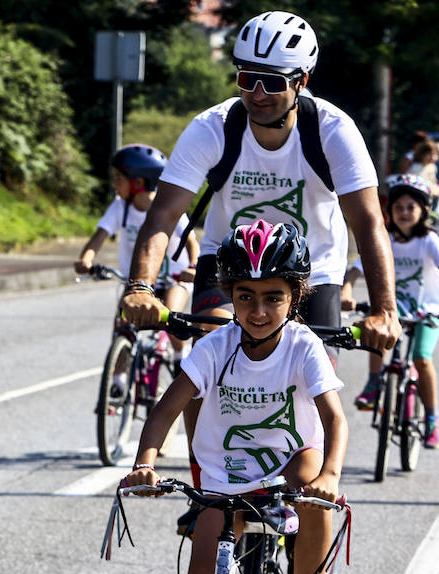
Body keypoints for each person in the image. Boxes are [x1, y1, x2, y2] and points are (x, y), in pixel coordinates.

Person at [123, 221, 346, 574]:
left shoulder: (303, 345)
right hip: (227, 471)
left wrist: (330, 474)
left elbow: (333, 418)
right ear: (230, 295)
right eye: (245, 297)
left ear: (296, 295)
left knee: (313, 493)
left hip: (291, 457)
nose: (259, 310)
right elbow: (165, 409)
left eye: (274, 297)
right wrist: (145, 463)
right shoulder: (215, 346)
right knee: (201, 571)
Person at [121, 11, 399, 359]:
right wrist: (140, 287)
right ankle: (204, 413)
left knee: (317, 377)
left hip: (312, 266)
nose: (257, 93)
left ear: (302, 80)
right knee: (207, 349)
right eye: (247, 78)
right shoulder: (211, 128)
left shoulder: (333, 131)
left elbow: (368, 222)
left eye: (273, 82)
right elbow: (163, 213)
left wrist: (385, 310)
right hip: (228, 260)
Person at [345, 174, 439, 447]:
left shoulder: (429, 240)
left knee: (421, 357)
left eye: (411, 207)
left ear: (424, 211)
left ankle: (433, 418)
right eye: (399, 207)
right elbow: (355, 270)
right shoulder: (386, 241)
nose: (404, 213)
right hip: (396, 309)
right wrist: (346, 292)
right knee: (378, 333)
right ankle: (374, 384)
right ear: (389, 211)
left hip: (428, 311)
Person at [75, 144, 199, 392]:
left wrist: (194, 267)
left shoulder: (167, 205)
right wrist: (86, 259)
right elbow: (99, 237)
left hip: (175, 278)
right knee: (122, 324)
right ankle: (119, 380)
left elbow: (192, 243)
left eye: (119, 179)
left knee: (171, 318)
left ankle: (178, 355)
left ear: (138, 182)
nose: (114, 184)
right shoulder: (121, 207)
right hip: (139, 283)